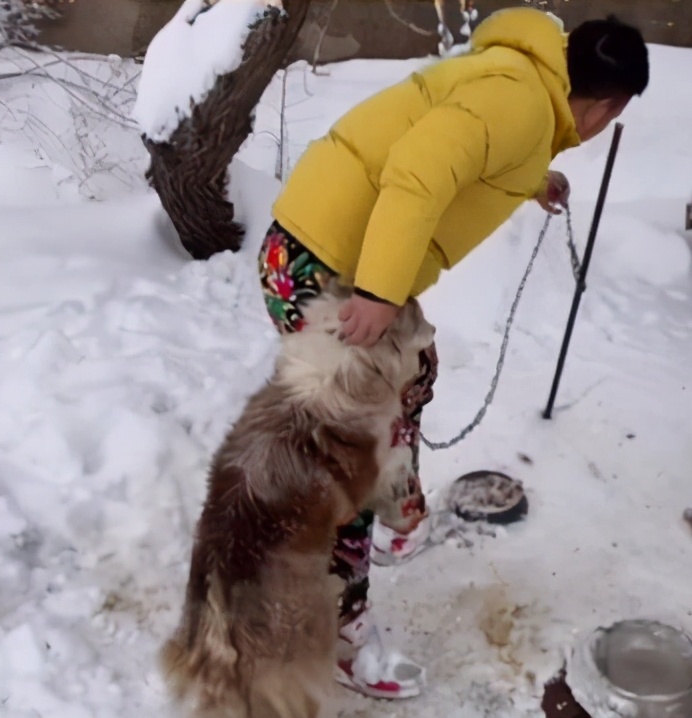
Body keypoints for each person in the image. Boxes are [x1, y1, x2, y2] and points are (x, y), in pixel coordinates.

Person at [256, 7, 650, 700]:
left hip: (338, 250)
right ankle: (337, 635)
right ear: (608, 108)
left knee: (414, 373)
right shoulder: (522, 103)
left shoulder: (524, 86)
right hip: (329, 265)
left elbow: (469, 146)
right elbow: (419, 169)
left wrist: (533, 182)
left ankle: (395, 517)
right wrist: (380, 294)